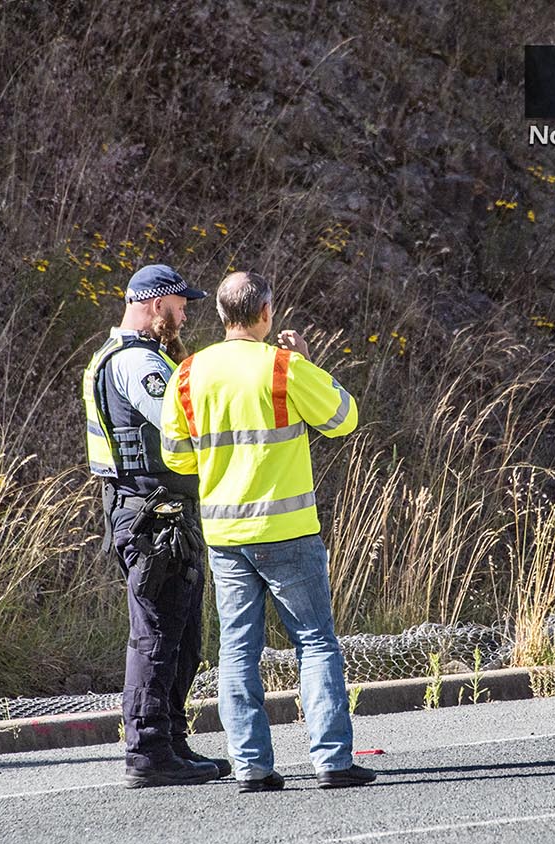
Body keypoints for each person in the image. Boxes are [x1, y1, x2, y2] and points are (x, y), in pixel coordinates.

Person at [160, 270, 376, 792]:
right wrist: (304, 360)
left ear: (219, 315)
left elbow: (176, 458)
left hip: (225, 534)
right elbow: (344, 417)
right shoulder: (284, 368)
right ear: (265, 314)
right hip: (288, 531)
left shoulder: (187, 374)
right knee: (316, 643)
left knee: (237, 649)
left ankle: (253, 768)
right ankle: (331, 760)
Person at [82, 263, 230, 789]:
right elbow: (183, 418)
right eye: (180, 305)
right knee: (157, 634)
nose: (186, 314)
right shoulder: (139, 362)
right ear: (154, 304)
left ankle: (170, 740)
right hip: (151, 516)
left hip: (153, 513)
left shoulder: (115, 355)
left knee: (183, 636)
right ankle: (147, 749)